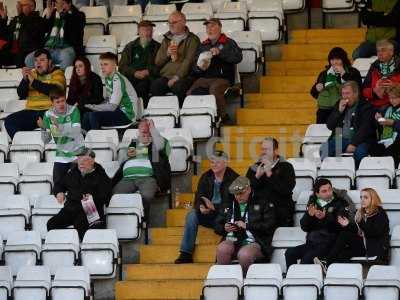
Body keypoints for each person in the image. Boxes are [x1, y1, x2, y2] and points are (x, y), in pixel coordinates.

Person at [175, 151, 239, 264]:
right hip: (208, 213)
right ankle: (186, 253)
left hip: (225, 216)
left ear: (225, 163)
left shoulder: (234, 178)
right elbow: (199, 195)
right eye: (212, 162)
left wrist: (215, 207)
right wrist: (201, 207)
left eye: (217, 162)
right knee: (192, 215)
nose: (214, 165)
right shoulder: (206, 176)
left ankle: (224, 254)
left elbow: (234, 204)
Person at [285, 178, 355, 268]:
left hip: (329, 244)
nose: (328, 193)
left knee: (306, 260)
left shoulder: (340, 203)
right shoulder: (313, 204)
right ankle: (291, 277)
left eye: (329, 189)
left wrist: (325, 217)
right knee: (289, 253)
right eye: (324, 191)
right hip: (312, 243)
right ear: (317, 194)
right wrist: (309, 216)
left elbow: (339, 226)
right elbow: (304, 227)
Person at [315, 188, 390, 272]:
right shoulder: (362, 213)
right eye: (361, 197)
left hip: (374, 248)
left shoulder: (380, 213)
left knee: (345, 235)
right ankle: (330, 270)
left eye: (365, 197)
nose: (362, 200)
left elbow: (373, 232)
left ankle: (326, 262)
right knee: (342, 252)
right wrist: (347, 225)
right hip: (363, 246)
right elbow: (358, 231)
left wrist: (360, 222)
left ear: (373, 199)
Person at [215, 176, 276, 275]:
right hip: (232, 239)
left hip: (255, 241)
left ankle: (245, 282)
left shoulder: (263, 202)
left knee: (245, 254)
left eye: (241, 193)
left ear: (249, 189)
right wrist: (224, 228)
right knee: (222, 249)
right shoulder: (229, 203)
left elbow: (269, 226)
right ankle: (225, 281)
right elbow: (217, 225)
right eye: (235, 194)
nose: (238, 197)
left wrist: (247, 226)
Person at [47, 147, 112, 240]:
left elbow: (106, 194)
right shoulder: (73, 172)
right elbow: (59, 185)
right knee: (52, 224)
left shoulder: (101, 175)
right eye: (79, 159)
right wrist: (59, 192)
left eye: (84, 159)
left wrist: (93, 198)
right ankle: (63, 249)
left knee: (84, 226)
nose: (81, 162)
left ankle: (81, 249)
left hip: (89, 207)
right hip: (71, 208)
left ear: (92, 160)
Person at [112, 119, 171, 219]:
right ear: (138, 130)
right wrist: (127, 153)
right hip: (127, 178)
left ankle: (143, 221)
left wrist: (152, 128)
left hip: (147, 178)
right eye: (141, 127)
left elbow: (161, 146)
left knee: (146, 196)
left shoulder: (158, 142)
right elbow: (123, 159)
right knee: (115, 195)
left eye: (147, 127)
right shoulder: (134, 143)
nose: (144, 130)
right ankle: (124, 221)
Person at [187, 18, 242, 120]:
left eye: (212, 26)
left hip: (223, 78)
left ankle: (223, 117)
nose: (209, 29)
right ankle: (196, 119)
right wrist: (199, 68)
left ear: (220, 27)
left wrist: (220, 53)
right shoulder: (203, 45)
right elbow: (194, 66)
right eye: (207, 27)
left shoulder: (229, 42)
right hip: (205, 78)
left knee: (215, 89)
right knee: (190, 92)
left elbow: (238, 57)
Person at [4, 48, 66, 139]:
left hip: (50, 111)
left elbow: (55, 90)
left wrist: (33, 81)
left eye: (42, 60)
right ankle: (24, 145)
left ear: (49, 62)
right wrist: (25, 80)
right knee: (10, 121)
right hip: (31, 111)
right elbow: (21, 94)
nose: (38, 63)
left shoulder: (58, 73)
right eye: (36, 60)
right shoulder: (32, 73)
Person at [321, 81, 377, 167]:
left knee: (360, 153)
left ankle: (356, 176)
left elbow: (365, 129)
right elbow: (330, 125)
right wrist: (339, 112)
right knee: (324, 149)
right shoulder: (339, 105)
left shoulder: (366, 106)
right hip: (341, 139)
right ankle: (330, 174)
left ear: (356, 93)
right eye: (343, 94)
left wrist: (353, 143)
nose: (345, 96)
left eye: (348, 93)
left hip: (362, 141)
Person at [37, 87, 84, 188]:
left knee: (76, 184)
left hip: (77, 152)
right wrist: (44, 128)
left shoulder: (73, 110)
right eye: (57, 102)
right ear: (52, 103)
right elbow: (46, 140)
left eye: (63, 100)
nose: (61, 104)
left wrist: (59, 126)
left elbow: (76, 132)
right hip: (62, 154)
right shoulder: (48, 115)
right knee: (57, 186)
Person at [150, 11, 200, 105]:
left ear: (183, 22)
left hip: (184, 76)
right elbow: (158, 62)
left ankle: (181, 114)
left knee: (179, 87)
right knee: (156, 86)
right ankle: (162, 115)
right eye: (169, 23)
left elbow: (188, 62)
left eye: (174, 22)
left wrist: (176, 78)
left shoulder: (192, 39)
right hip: (166, 75)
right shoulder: (167, 39)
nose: (171, 25)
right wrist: (167, 53)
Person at [82, 52, 139, 131]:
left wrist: (94, 107)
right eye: (101, 65)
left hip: (127, 115)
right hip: (118, 110)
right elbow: (109, 100)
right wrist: (93, 107)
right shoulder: (107, 77)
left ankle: (98, 141)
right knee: (86, 115)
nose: (102, 67)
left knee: (94, 116)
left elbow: (112, 107)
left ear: (114, 65)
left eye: (106, 64)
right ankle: (86, 141)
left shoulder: (118, 80)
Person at [246, 137, 296, 227]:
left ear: (276, 151)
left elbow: (286, 190)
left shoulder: (286, 167)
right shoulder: (254, 167)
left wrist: (270, 174)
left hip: (280, 212)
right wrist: (257, 177)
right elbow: (246, 190)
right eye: (262, 149)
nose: (263, 152)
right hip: (259, 213)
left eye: (267, 149)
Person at [25, 0, 85, 70]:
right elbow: (42, 30)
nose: (60, 6)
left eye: (62, 4)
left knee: (66, 57)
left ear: (70, 4)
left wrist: (62, 14)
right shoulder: (53, 14)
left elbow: (75, 33)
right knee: (29, 59)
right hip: (48, 48)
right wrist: (48, 17)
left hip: (66, 48)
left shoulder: (78, 15)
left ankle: (61, 79)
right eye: (58, 4)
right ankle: (39, 79)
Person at [311, 47, 362, 124]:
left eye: (338, 59)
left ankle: (338, 135)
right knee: (322, 132)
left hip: (345, 109)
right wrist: (317, 88)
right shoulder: (324, 74)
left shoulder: (353, 71)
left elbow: (358, 88)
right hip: (324, 111)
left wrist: (343, 74)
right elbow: (314, 94)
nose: (334, 62)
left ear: (343, 60)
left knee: (339, 133)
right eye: (332, 60)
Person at [119, 20, 160, 107]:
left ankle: (141, 112)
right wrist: (134, 73)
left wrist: (148, 71)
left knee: (142, 87)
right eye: (144, 30)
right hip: (131, 77)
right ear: (138, 31)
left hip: (149, 78)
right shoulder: (130, 47)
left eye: (149, 30)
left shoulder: (158, 47)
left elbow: (162, 65)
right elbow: (122, 67)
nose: (147, 33)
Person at [0, 0, 46, 67]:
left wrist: (23, 15)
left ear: (32, 7)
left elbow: (31, 34)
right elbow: (4, 35)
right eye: (19, 5)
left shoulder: (39, 20)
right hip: (11, 51)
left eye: (22, 5)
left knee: (20, 58)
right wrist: (3, 19)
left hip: (27, 51)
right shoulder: (16, 19)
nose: (19, 7)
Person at [362, 39, 400, 109]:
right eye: (378, 51)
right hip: (374, 105)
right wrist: (374, 91)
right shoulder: (374, 67)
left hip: (394, 106)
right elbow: (364, 90)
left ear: (391, 52)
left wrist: (396, 87)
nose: (380, 53)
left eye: (383, 50)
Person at [370, 85, 400, 166]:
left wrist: (393, 123)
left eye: (395, 98)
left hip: (397, 141)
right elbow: (377, 126)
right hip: (385, 139)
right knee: (373, 148)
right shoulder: (385, 108)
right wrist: (377, 119)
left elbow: (394, 123)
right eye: (390, 98)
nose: (392, 100)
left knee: (392, 151)